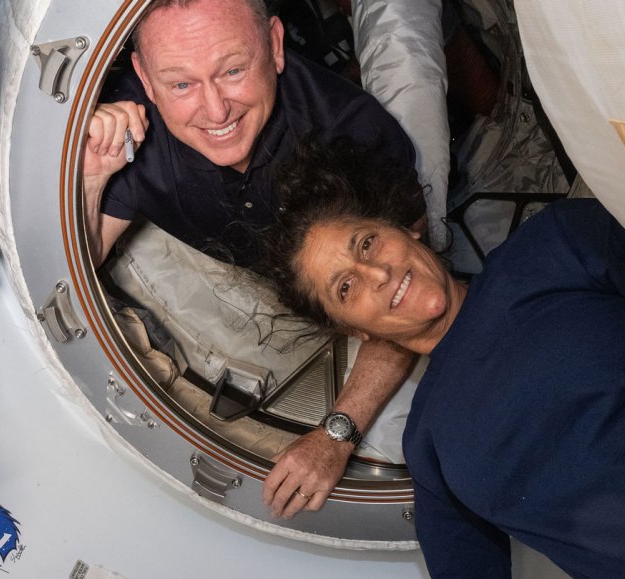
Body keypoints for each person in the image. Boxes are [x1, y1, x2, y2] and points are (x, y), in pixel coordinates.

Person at [262, 138, 625, 577]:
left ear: (407, 229)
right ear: (358, 331)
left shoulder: (552, 246)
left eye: (368, 243)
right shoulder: (428, 446)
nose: (377, 274)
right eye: (345, 288)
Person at [83, 0, 426, 520]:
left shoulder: (352, 133)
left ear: (276, 46)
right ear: (145, 80)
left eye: (233, 70)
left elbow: (408, 296)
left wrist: (337, 433)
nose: (215, 110)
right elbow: (82, 260)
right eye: (181, 84)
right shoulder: (130, 128)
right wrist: (91, 177)